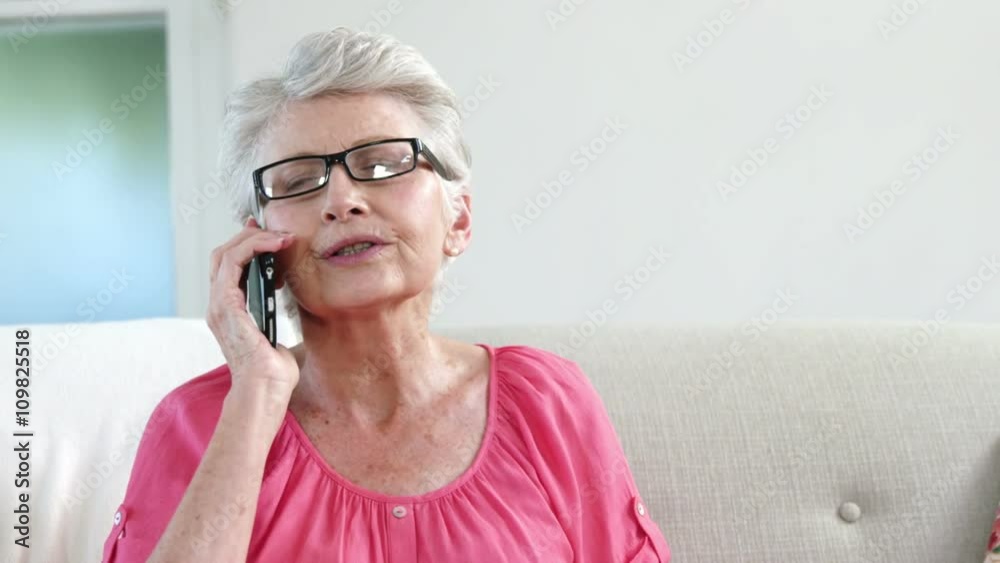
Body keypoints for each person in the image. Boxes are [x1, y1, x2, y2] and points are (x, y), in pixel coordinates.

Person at [100, 26, 670, 562]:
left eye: (381, 165)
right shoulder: (197, 423)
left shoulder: (547, 402)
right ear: (258, 247)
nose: (341, 201)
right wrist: (257, 395)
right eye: (298, 181)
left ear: (458, 219)